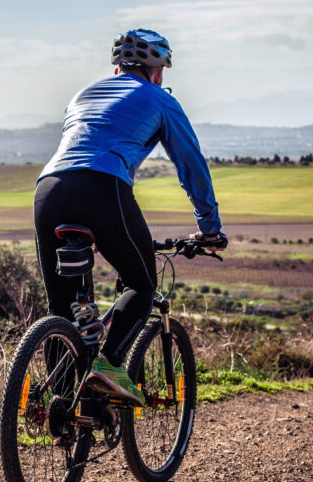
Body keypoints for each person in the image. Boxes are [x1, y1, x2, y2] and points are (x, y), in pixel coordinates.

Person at [33, 28, 226, 407]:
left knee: (64, 308)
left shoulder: (82, 94)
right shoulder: (159, 98)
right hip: (103, 189)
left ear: (117, 67)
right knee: (141, 283)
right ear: (157, 70)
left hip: (49, 188)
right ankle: (109, 365)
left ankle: (61, 407)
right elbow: (191, 165)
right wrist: (209, 227)